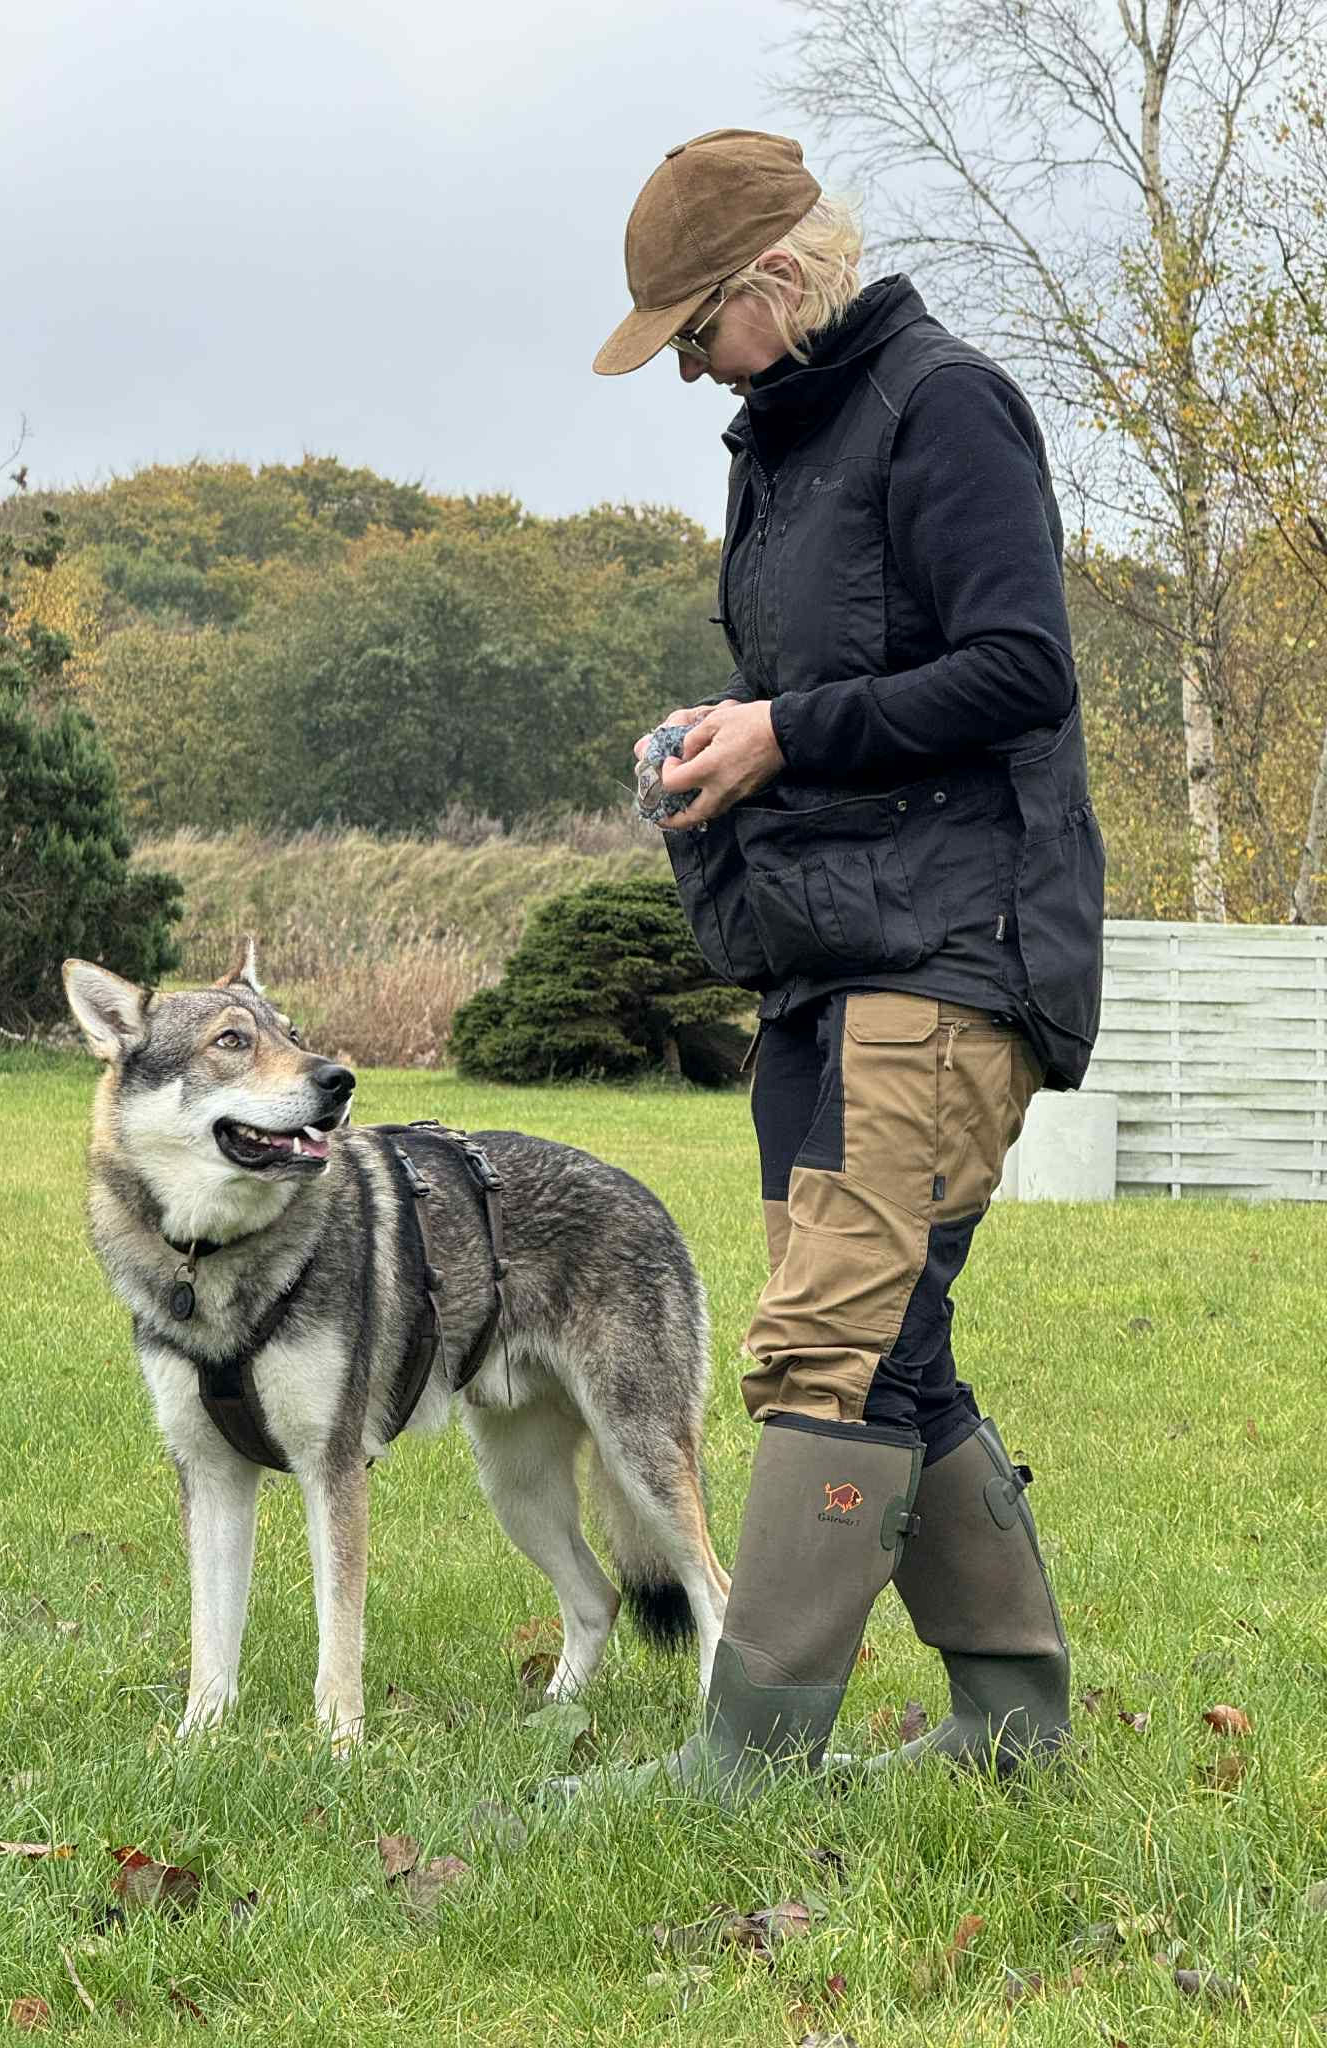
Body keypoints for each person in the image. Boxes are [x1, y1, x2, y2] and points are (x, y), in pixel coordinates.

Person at [570, 128, 1105, 1800]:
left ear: (781, 280)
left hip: (952, 950)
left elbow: (1020, 667)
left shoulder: (947, 408)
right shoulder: (785, 445)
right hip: (825, 957)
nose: (693, 374)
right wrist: (728, 734)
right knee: (895, 1348)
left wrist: (785, 731)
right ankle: (1012, 1728)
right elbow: (829, 688)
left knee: (830, 1346)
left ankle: (749, 1758)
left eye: (695, 334)